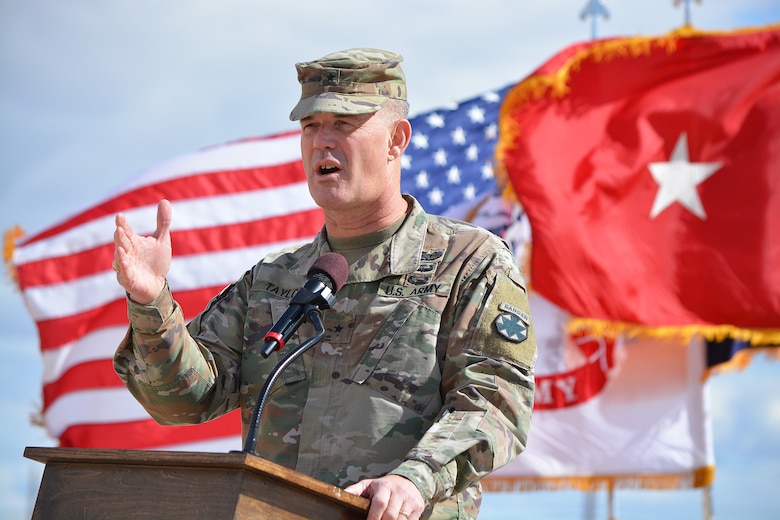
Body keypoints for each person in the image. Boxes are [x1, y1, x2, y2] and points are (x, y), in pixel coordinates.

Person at [112, 48, 536, 520]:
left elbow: (498, 401)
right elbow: (184, 401)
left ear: (396, 140)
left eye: (344, 123)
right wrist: (150, 302)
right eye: (311, 126)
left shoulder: (467, 262)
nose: (322, 142)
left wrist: (413, 479)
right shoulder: (273, 281)